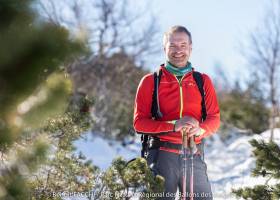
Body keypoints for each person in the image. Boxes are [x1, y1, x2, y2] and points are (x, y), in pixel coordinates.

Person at [133, 25, 220, 199]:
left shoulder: (202, 81)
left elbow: (214, 118)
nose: (178, 50)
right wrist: (174, 125)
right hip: (161, 155)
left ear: (190, 47)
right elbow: (139, 123)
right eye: (172, 46)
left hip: (194, 154)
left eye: (183, 45)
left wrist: (200, 129)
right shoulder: (151, 81)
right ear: (164, 48)